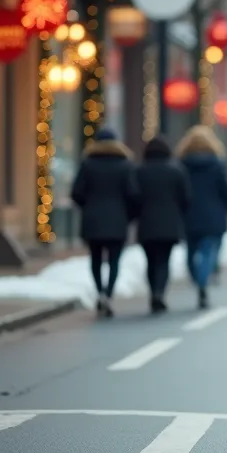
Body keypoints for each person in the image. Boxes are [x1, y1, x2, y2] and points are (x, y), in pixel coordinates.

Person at [71, 128, 139, 318]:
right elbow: (133, 194)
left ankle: (99, 290)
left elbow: (76, 192)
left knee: (95, 259)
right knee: (114, 260)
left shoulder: (87, 164)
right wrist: (128, 215)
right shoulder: (125, 165)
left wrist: (87, 207)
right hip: (117, 220)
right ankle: (108, 293)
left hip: (93, 220)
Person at [177, 125, 227, 309]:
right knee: (208, 251)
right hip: (213, 215)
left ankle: (196, 277)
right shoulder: (217, 165)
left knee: (191, 252)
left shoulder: (181, 165)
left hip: (189, 215)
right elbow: (226, 190)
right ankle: (203, 283)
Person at [135, 136, 191, 314]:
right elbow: (186, 198)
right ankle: (160, 292)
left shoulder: (140, 171)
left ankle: (153, 291)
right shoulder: (176, 171)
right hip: (169, 223)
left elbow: (133, 196)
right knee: (164, 261)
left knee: (150, 260)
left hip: (147, 222)